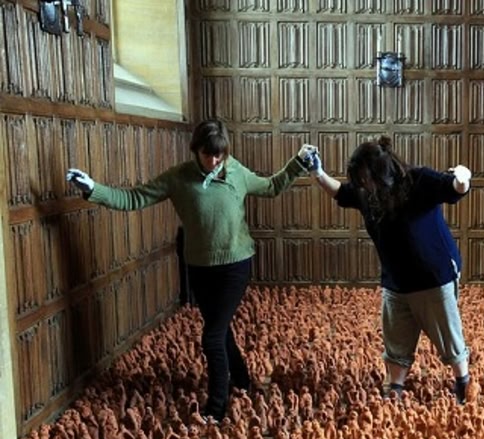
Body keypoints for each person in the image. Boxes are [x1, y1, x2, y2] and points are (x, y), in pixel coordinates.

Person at [67, 119, 316, 422]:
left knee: (211, 337)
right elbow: (134, 198)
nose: (214, 161)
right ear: (195, 150)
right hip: (199, 268)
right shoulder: (179, 177)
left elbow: (272, 186)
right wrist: (94, 189)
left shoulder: (236, 171)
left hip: (235, 265)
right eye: (207, 154)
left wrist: (298, 162)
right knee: (220, 330)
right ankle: (241, 381)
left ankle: (216, 408)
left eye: (219, 154)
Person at [304, 136, 473, 403]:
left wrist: (463, 177)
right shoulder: (367, 195)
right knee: (396, 338)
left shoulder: (418, 180)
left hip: (433, 277)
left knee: (448, 335)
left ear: (381, 174)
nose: (362, 185)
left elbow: (453, 189)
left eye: (365, 179)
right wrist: (318, 173)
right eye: (359, 181)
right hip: (396, 280)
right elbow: (342, 193)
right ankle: (395, 387)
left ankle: (462, 382)